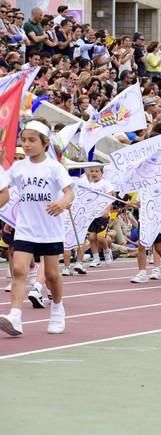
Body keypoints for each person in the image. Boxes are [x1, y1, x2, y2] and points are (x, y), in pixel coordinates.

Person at [0, 118, 74, 336]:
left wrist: (62, 202)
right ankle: (15, 316)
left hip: (50, 229)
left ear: (45, 144)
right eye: (24, 140)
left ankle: (58, 309)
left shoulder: (54, 168)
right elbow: (5, 190)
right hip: (25, 228)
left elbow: (69, 191)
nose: (28, 144)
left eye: (32, 140)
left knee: (51, 275)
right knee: (19, 269)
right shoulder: (19, 168)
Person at [80, 163, 115, 267]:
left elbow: (110, 198)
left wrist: (106, 210)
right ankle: (96, 259)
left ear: (102, 173)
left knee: (100, 238)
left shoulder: (105, 184)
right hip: (91, 215)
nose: (94, 173)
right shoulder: (89, 185)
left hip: (102, 215)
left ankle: (107, 252)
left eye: (96, 171)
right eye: (92, 171)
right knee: (91, 238)